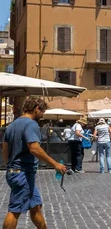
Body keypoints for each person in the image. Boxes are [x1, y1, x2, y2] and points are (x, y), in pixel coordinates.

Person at [2, 98, 68, 229]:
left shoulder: (12, 125)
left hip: (17, 172)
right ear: (37, 108)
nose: (43, 115)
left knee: (35, 207)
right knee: (15, 210)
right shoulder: (31, 124)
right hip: (23, 174)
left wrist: (10, 166)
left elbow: (5, 150)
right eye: (43, 111)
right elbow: (34, 148)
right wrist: (55, 164)